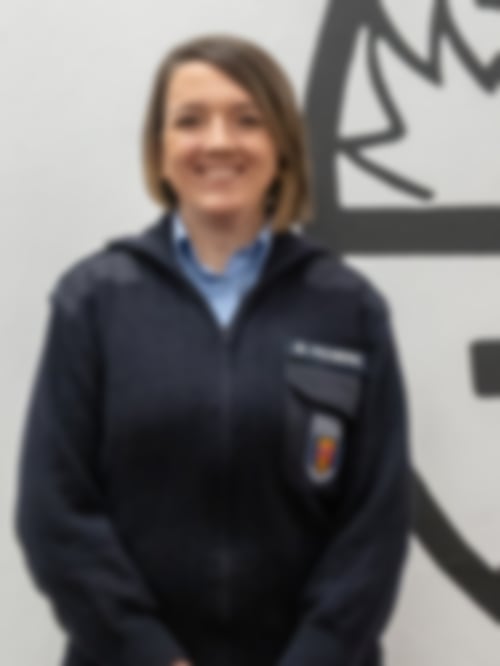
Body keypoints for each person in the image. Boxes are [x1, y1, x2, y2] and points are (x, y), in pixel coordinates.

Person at [15, 34, 411, 666]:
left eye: (248, 119)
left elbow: (376, 522)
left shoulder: (348, 307)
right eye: (190, 120)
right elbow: (54, 511)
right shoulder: (93, 301)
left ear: (282, 146)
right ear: (159, 150)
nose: (220, 142)